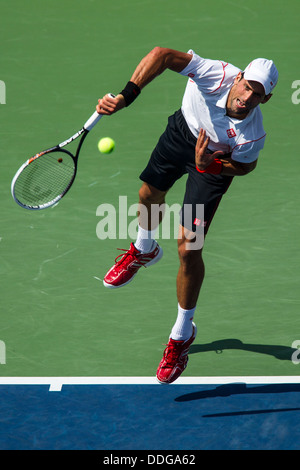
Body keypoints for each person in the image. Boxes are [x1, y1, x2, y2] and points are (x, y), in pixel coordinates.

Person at [96, 47, 278, 384]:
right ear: (238, 78)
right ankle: (145, 248)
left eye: (258, 94)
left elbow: (245, 165)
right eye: (248, 86)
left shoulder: (252, 133)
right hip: (182, 134)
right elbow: (162, 55)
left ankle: (181, 334)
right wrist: (126, 95)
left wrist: (212, 165)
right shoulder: (215, 74)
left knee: (188, 248)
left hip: (211, 165)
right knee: (148, 195)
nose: (248, 96)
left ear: (265, 100)